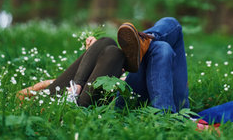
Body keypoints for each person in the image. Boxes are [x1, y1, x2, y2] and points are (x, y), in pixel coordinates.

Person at [18, 17, 189, 113]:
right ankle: (145, 41)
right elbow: (24, 95)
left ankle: (144, 43)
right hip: (122, 95)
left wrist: (91, 56)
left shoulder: (59, 90)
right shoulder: (54, 104)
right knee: (169, 31)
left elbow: (41, 88)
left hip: (106, 87)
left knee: (111, 44)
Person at [117, 17, 190, 113]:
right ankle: (145, 39)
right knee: (173, 25)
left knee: (163, 47)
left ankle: (144, 41)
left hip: (176, 107)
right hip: (126, 99)